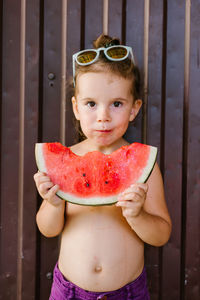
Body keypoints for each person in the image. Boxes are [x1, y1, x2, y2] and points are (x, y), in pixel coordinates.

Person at [34, 34, 172, 300]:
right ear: (76, 107)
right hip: (69, 292)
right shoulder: (65, 161)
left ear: (134, 109)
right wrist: (52, 204)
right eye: (91, 104)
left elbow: (161, 234)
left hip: (128, 293)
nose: (103, 116)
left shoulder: (145, 165)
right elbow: (47, 229)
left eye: (117, 104)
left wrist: (137, 216)